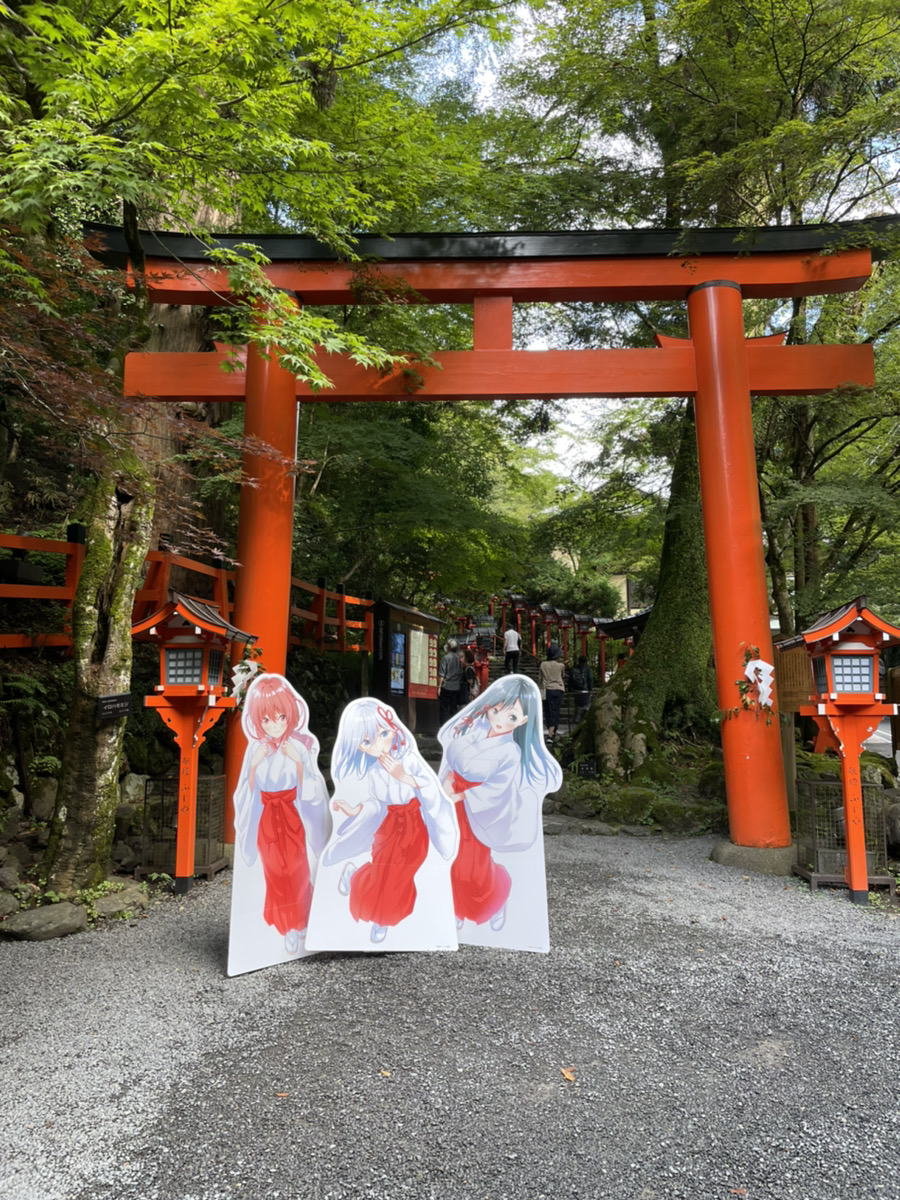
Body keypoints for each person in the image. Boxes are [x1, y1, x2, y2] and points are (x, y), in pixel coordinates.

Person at [314, 699, 458, 945]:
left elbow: (430, 789)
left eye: (383, 733)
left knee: (404, 871)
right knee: (383, 871)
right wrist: (353, 809)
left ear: (393, 728)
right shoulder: (373, 771)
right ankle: (381, 917)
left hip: (413, 825)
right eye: (368, 741)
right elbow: (377, 804)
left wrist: (404, 776)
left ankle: (363, 884)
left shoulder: (409, 759)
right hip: (390, 825)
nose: (379, 744)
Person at [437, 674, 563, 950]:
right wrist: (447, 780)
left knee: (472, 865)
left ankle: (491, 902)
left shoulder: (510, 752)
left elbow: (496, 788)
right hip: (453, 798)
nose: (500, 719)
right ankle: (457, 910)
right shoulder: (474, 729)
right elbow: (451, 750)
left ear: (523, 721)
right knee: (450, 857)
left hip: (476, 807)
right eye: (497, 710)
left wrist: (462, 794)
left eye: (512, 716)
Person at [232, 673, 330, 958]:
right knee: (274, 872)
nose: (274, 724)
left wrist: (299, 763)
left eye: (279, 717)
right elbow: (246, 792)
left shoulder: (298, 747)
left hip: (291, 816)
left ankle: (302, 922)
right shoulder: (257, 750)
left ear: (290, 715)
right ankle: (287, 927)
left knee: (297, 869)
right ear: (257, 721)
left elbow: (311, 788)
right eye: (265, 719)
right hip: (266, 819)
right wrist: (253, 767)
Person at [539, 644, 566, 742]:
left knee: (548, 710)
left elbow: (540, 678)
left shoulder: (543, 665)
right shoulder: (561, 666)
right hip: (557, 689)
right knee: (556, 710)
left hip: (547, 690)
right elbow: (562, 676)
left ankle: (552, 731)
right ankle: (551, 733)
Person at [438, 637, 463, 726]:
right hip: (456, 687)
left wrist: (439, 687)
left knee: (444, 708)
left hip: (446, 686)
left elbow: (442, 674)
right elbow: (460, 672)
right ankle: (452, 726)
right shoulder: (458, 658)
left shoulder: (445, 658)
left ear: (449, 647)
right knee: (453, 708)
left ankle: (443, 726)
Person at [571, 654, 594, 723]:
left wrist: (570, 689)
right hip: (585, 690)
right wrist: (590, 689)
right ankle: (583, 720)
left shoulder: (574, 669)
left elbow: (570, 680)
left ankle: (577, 719)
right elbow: (590, 679)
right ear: (585, 662)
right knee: (585, 705)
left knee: (577, 705)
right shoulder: (587, 669)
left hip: (576, 690)